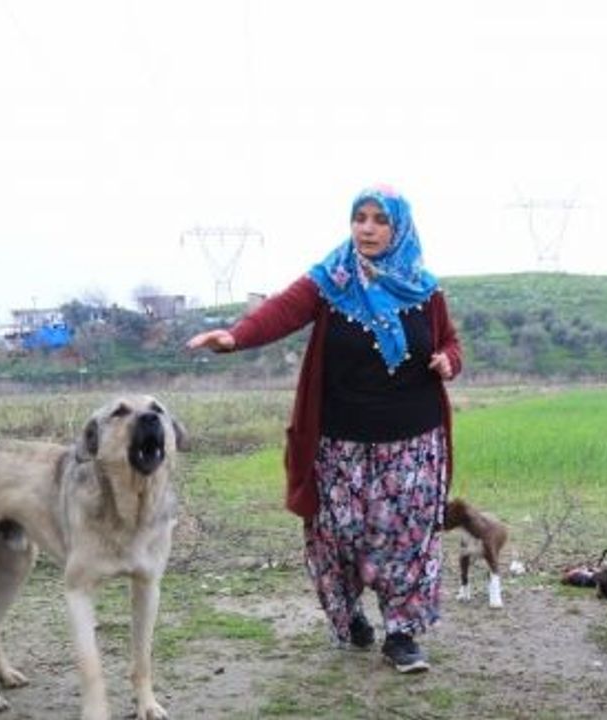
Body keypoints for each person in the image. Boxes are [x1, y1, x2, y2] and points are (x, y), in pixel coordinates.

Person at [185, 185, 461, 674]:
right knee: (338, 533)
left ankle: (401, 633)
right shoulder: (330, 280)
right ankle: (351, 611)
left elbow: (450, 342)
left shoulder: (425, 288)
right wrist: (235, 336)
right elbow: (281, 311)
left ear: (399, 229)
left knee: (406, 538)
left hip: (415, 440)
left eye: (381, 220)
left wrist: (447, 360)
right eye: (361, 217)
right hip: (341, 441)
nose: (369, 228)